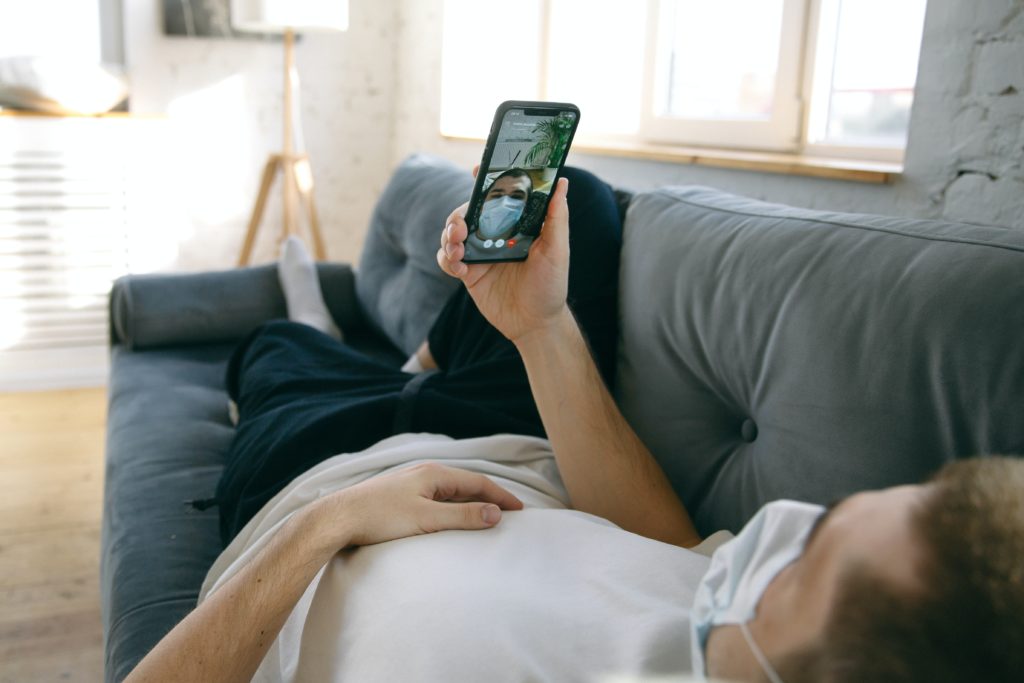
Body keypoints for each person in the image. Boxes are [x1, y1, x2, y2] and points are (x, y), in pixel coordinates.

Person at [125, 169, 1024, 683]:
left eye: (811, 560)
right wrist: (541, 327)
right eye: (829, 514)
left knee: (278, 348)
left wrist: (335, 520)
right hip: (510, 440)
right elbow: (672, 546)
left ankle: (312, 326)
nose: (780, 532)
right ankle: (406, 369)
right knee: (574, 199)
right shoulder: (733, 609)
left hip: (314, 479)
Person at [464, 167, 539, 258]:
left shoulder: (534, 248)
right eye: (497, 195)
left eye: (516, 197)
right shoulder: (462, 240)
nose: (504, 203)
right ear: (482, 204)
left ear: (525, 209)